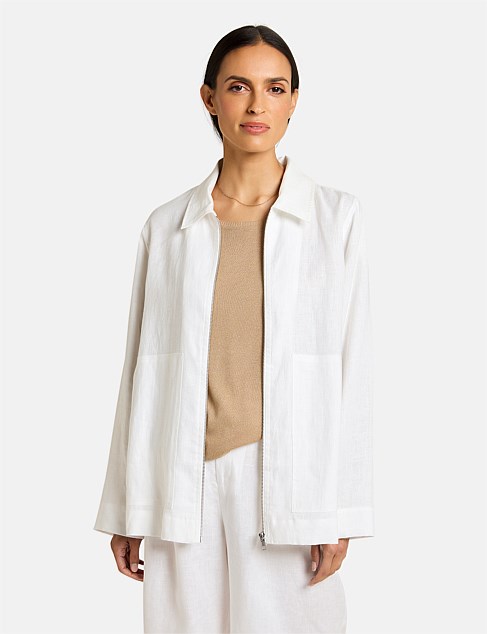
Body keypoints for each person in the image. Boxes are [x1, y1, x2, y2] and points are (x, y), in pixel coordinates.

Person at [93, 24, 375, 634]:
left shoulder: (335, 220)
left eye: (275, 88)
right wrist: (125, 505)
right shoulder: (167, 227)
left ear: (294, 101)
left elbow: (353, 369)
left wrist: (341, 509)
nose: (256, 105)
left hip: (285, 475)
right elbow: (140, 368)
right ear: (209, 98)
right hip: (180, 475)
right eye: (239, 86)